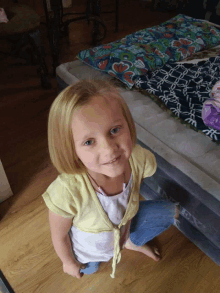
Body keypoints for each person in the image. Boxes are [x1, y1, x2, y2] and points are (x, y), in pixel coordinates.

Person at [42, 79, 179, 279]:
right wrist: (68, 262)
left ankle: (129, 243)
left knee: (171, 210)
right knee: (91, 269)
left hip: (122, 230)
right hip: (88, 253)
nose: (109, 150)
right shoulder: (67, 190)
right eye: (89, 142)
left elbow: (128, 198)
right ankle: (103, 256)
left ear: (129, 126)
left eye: (115, 130)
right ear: (70, 150)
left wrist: (125, 234)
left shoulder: (139, 159)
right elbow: (59, 235)